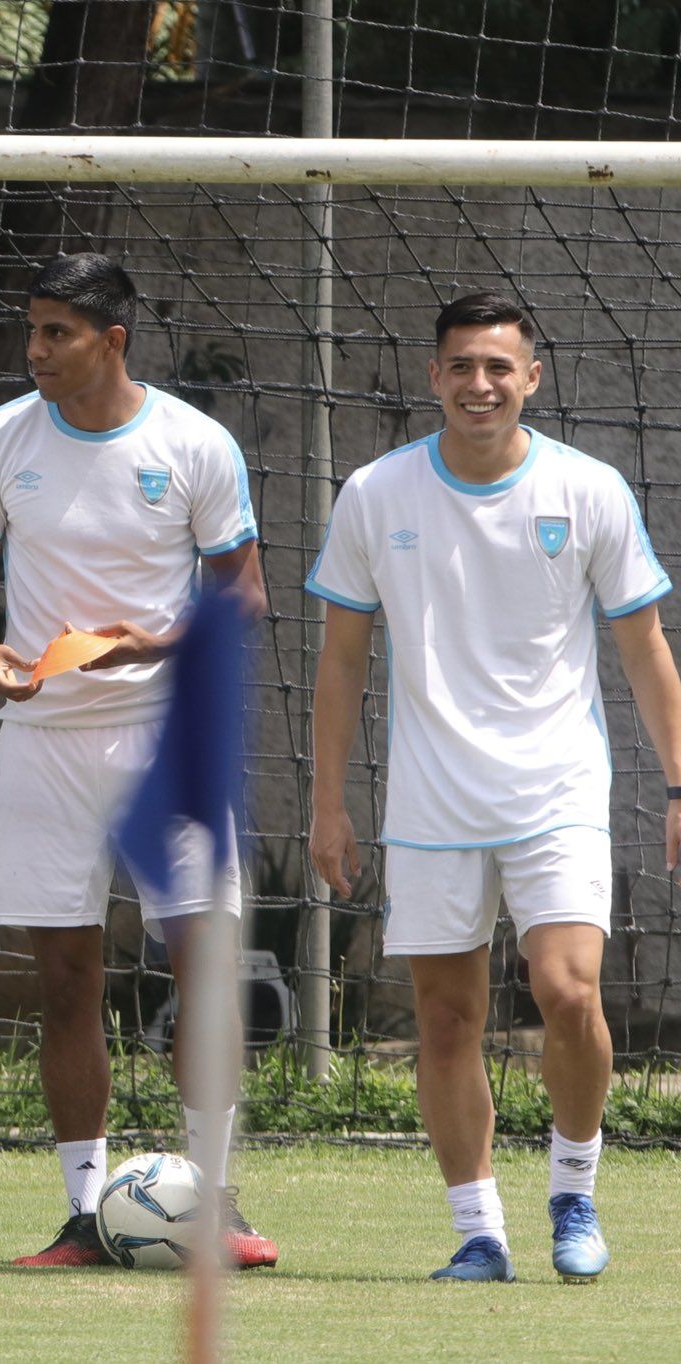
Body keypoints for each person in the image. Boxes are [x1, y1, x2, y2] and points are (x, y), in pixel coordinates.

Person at [308, 292, 681, 1284]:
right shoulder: (373, 493)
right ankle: (477, 1231)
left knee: (565, 990)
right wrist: (326, 801)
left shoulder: (586, 487)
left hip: (555, 785)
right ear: (433, 377)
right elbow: (340, 658)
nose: (479, 385)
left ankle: (572, 1193)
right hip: (429, 799)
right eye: (460, 366)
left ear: (530, 377)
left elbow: (642, 648)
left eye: (497, 367)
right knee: (442, 1018)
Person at [0, 253, 276, 1269]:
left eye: (55, 333)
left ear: (111, 340)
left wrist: (149, 642)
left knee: (198, 963)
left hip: (166, 737)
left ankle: (211, 1197)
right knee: (63, 974)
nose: (33, 350)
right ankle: (83, 1215)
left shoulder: (192, 443)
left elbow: (243, 597)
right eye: (30, 331)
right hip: (44, 741)